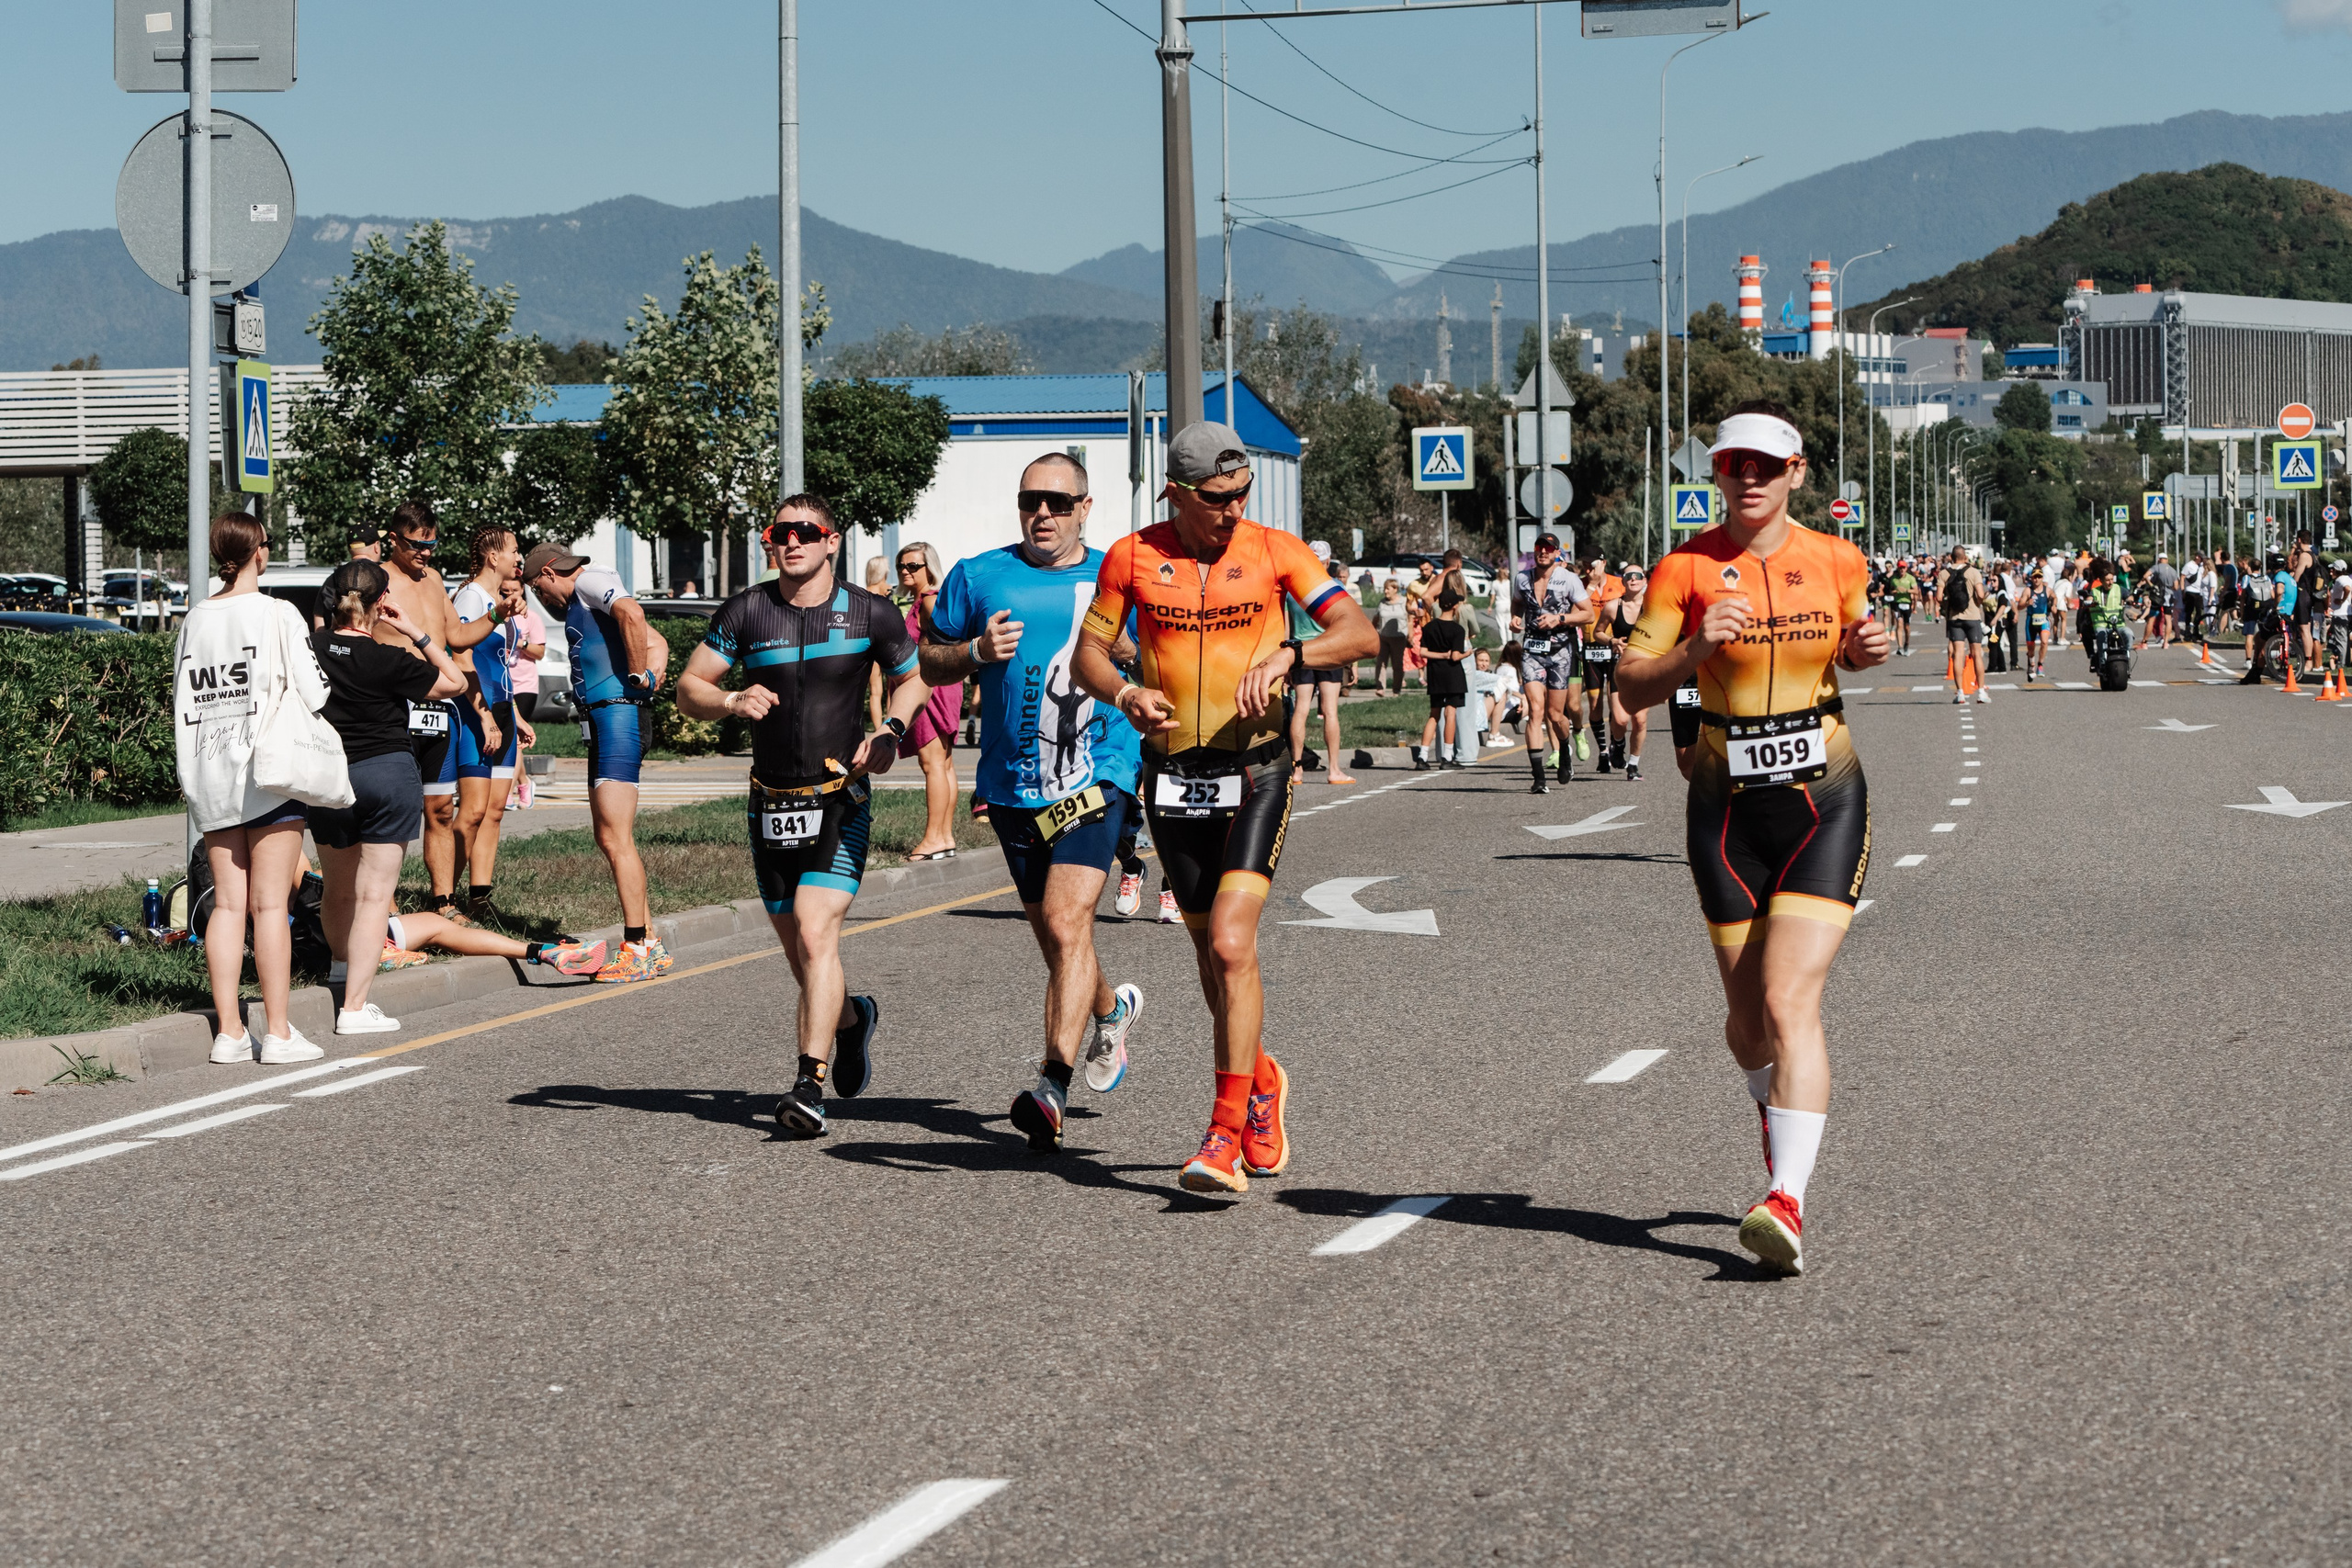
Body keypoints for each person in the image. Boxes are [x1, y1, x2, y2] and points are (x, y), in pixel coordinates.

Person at [1614, 400, 1891, 1277]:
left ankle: (1787, 1199)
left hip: (1825, 800)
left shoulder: (1836, 558)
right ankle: (1780, 1127)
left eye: (1767, 466)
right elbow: (1628, 684)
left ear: (1798, 473)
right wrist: (1696, 647)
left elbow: (1855, 645)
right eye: (1735, 465)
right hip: (1726, 810)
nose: (1751, 479)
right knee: (1745, 1025)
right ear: (1717, 474)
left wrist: (1872, 646)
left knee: (1786, 1000)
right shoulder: (1684, 569)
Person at [1071, 421, 1377, 1194]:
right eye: (1217, 498)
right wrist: (1128, 691)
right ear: (1178, 492)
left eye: (1242, 493)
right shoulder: (1132, 557)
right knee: (1215, 963)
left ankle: (1221, 1135)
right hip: (1172, 778)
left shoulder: (1276, 551)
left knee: (1235, 945)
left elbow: (1361, 632)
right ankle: (1263, 1078)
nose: (1234, 508)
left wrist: (1291, 654)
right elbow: (1089, 654)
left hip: (1258, 769)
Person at [675, 494, 929, 1137]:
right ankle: (851, 1019)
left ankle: (807, 1086)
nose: (791, 542)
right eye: (779, 532)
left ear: (831, 540)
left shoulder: (869, 611)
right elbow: (689, 688)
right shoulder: (747, 610)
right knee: (803, 955)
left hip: (839, 796)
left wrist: (892, 730)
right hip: (770, 804)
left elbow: (914, 676)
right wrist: (731, 699)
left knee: (818, 936)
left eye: (805, 532)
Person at [920, 452, 1149, 1152]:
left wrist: (1137, 658)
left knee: (1065, 914)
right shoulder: (977, 574)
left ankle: (1051, 1083)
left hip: (1098, 770)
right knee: (1060, 938)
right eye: (1029, 500)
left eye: (1057, 500)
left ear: (1086, 507)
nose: (1041, 512)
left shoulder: (1118, 575)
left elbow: (1155, 651)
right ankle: (1111, 1010)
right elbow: (930, 658)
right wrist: (974, 654)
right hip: (1016, 784)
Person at [173, 513, 332, 1066]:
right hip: (270, 774)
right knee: (269, 907)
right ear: (258, 552)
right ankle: (280, 1033)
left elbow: (185, 696)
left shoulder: (195, 618)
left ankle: (230, 1033)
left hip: (212, 775)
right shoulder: (278, 612)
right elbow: (316, 692)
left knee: (227, 907)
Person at [308, 558, 468, 1033]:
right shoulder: (389, 658)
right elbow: (455, 683)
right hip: (387, 773)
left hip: (328, 778)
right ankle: (354, 1008)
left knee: (336, 887)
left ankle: (340, 970)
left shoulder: (307, 648)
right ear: (381, 604)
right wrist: (415, 631)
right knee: (375, 894)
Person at [524, 541, 673, 980]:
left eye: (538, 588)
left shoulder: (590, 579)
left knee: (617, 838)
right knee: (609, 837)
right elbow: (658, 641)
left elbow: (634, 616)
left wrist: (639, 678)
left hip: (617, 717)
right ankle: (651, 941)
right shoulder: (588, 595)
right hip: (609, 719)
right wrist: (650, 669)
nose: (542, 598)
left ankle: (638, 948)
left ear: (550, 573)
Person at [379, 500, 508, 927]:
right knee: (393, 811)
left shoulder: (434, 579)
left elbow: (456, 636)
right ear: (394, 539)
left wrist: (497, 614)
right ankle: (385, 901)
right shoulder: (375, 580)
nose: (426, 553)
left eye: (432, 544)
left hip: (438, 708)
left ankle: (443, 901)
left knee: (439, 810)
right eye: (417, 545)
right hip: (392, 708)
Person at [450, 526, 532, 923]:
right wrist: (483, 716)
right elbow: (462, 658)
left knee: (495, 812)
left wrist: (514, 715)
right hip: (474, 712)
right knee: (472, 811)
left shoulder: (500, 599)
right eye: (515, 551)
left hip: (502, 711)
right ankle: (444, 900)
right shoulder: (470, 597)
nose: (520, 558)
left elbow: (502, 667)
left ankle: (479, 901)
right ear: (492, 557)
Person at [893, 540, 965, 861]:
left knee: (932, 763)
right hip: (939, 685)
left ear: (928, 567)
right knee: (944, 764)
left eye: (913, 566)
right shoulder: (924, 600)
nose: (906, 571)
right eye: (902, 566)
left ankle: (934, 837)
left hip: (929, 688)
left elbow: (947, 642)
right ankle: (945, 836)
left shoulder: (929, 601)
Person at [1510, 531, 1596, 794]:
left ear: (1557, 552)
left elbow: (1588, 614)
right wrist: (1515, 619)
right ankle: (1538, 778)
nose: (1543, 552)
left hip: (1560, 651)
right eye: (1539, 548)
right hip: (1532, 650)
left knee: (1555, 715)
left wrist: (1560, 619)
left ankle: (1565, 752)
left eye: (1548, 548)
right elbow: (1517, 606)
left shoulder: (1568, 579)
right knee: (1535, 711)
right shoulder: (1522, 578)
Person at [1288, 541, 1356, 784]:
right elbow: (1346, 626)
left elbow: (1286, 625)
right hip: (1329, 651)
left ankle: (1296, 770)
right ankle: (1334, 769)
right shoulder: (1335, 587)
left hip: (1301, 651)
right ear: (1327, 562)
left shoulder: (1292, 590)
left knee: (1301, 709)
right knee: (1330, 711)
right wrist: (1352, 661)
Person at [1419, 577, 1471, 770]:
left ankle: (1422, 756)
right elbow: (1455, 657)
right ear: (1455, 606)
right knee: (1451, 714)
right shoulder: (1457, 630)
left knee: (1434, 715)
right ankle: (1447, 757)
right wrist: (1467, 654)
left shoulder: (1429, 627)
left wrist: (1439, 655)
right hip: (1452, 675)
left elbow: (1422, 652)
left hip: (1435, 674)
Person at [1605, 565, 1651, 780]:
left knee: (1640, 720)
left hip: (1643, 669)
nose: (1633, 580)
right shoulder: (1613, 607)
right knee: (1621, 720)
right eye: (1628, 577)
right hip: (1619, 668)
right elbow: (1597, 633)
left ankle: (1633, 764)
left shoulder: (1652, 607)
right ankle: (1618, 742)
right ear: (1623, 582)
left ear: (1644, 581)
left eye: (1637, 576)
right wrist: (1612, 640)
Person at [1938, 547, 1988, 704]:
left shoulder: (1944, 573)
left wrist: (1948, 606)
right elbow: (1980, 594)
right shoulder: (1973, 572)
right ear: (1965, 557)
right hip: (1972, 617)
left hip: (1954, 618)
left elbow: (1939, 597)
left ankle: (1960, 693)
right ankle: (1981, 692)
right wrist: (1979, 603)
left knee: (1958, 654)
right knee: (1976, 654)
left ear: (1951, 557)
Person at [1371, 579, 1411, 694]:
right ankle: (1380, 688)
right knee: (1381, 663)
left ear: (1395, 589)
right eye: (1384, 588)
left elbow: (1409, 619)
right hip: (1383, 637)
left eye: (1388, 588)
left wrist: (1410, 635)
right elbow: (1376, 618)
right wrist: (1372, 631)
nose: (1385, 591)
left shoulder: (1404, 602)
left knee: (1397, 664)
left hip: (1399, 638)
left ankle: (1396, 690)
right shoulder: (1382, 603)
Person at [1882, 558, 1920, 657]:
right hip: (1897, 603)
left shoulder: (1910, 578)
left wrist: (1906, 590)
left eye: (1903, 568)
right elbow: (1889, 591)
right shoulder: (1893, 579)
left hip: (1907, 603)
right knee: (1899, 622)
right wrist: (1895, 591)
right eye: (1900, 568)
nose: (1902, 570)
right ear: (1898, 569)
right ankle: (1899, 646)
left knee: (1906, 627)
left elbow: (1916, 591)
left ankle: (1906, 644)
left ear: (1906, 568)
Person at [2024, 570, 2052, 682]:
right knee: (2031, 649)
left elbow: (2054, 597)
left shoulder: (2047, 590)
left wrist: (2054, 605)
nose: (2037, 579)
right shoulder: (2028, 591)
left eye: (2039, 577)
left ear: (2042, 578)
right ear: (2032, 578)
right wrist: (2027, 603)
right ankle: (2031, 664)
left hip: (2043, 619)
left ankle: (2040, 664)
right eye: (2035, 577)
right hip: (2031, 620)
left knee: (2044, 642)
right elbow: (2020, 606)